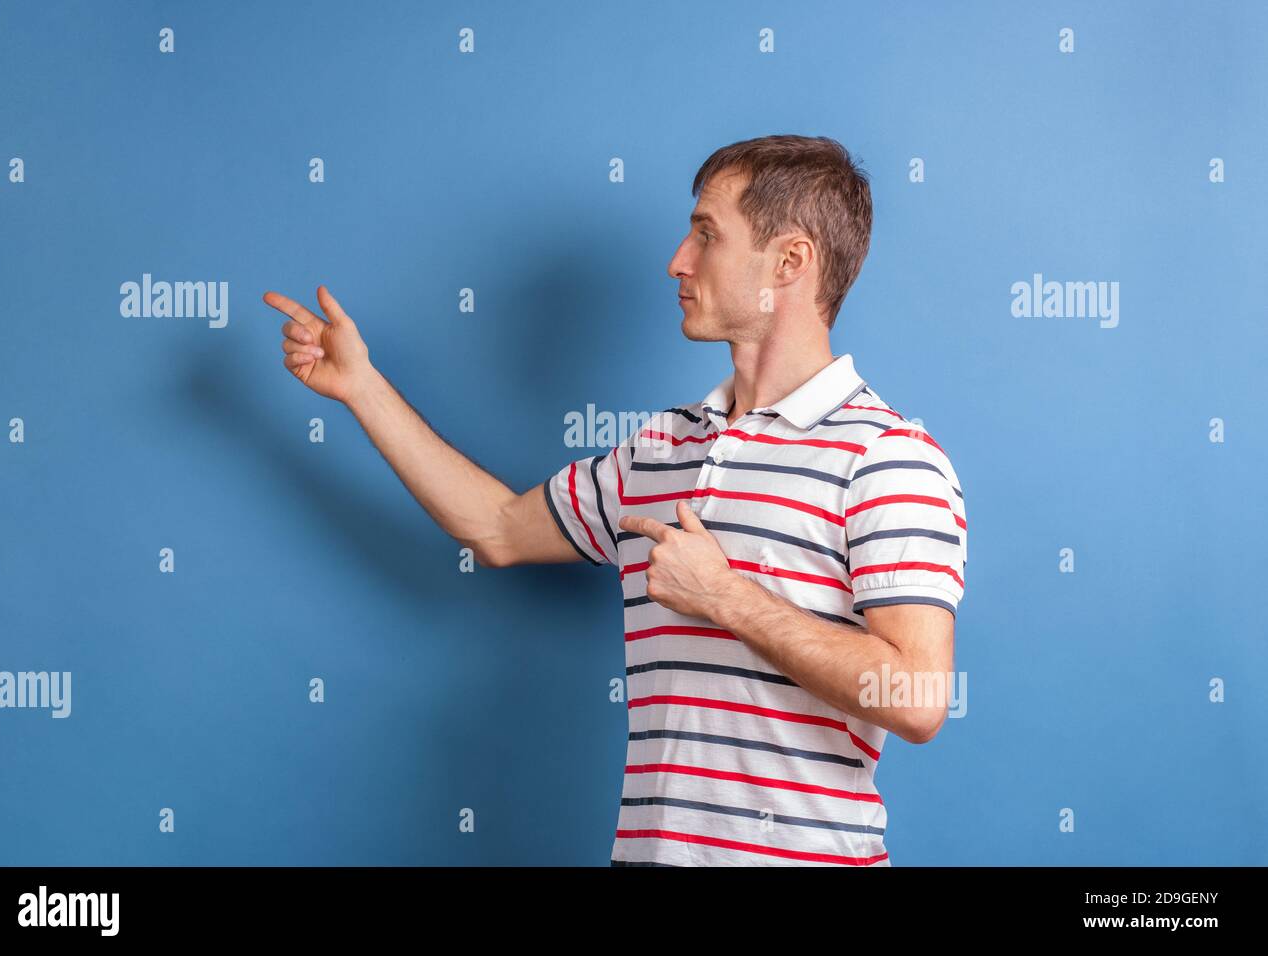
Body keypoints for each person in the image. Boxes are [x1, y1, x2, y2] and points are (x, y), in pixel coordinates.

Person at [263, 134, 967, 866]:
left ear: (789, 262)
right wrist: (361, 388)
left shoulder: (887, 457)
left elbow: (917, 697)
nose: (678, 261)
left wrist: (725, 596)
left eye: (706, 234)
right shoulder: (660, 450)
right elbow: (497, 528)